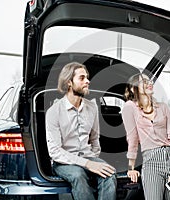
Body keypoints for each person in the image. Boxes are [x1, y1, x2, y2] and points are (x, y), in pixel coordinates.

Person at [45, 62, 117, 200]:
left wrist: (93, 159)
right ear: (69, 83)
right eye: (82, 78)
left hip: (88, 156)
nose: (87, 81)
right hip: (64, 162)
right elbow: (55, 151)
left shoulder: (92, 107)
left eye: (87, 78)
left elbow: (95, 139)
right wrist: (87, 164)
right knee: (79, 175)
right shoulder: (54, 111)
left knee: (109, 173)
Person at [121, 73, 170, 200]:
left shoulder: (163, 107)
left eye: (149, 81)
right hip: (152, 163)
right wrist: (130, 168)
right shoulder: (130, 107)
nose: (149, 83)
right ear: (134, 89)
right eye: (144, 81)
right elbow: (132, 139)